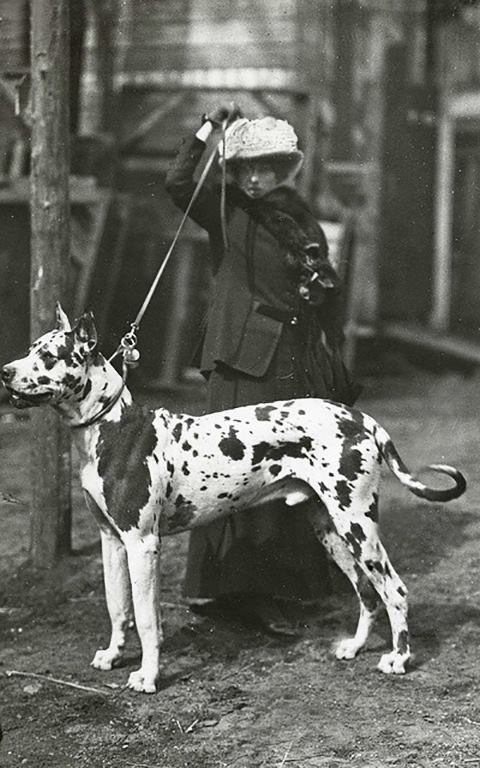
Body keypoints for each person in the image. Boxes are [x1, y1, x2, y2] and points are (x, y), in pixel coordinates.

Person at [165, 106, 360, 635]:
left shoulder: (301, 219)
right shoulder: (225, 213)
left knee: (285, 474)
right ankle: (225, 590)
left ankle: (280, 591)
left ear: (283, 170)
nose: (254, 178)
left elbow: (326, 290)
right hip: (237, 359)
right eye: (245, 168)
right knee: (225, 473)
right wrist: (208, 125)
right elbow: (177, 181)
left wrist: (324, 319)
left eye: (265, 168)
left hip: (289, 356)